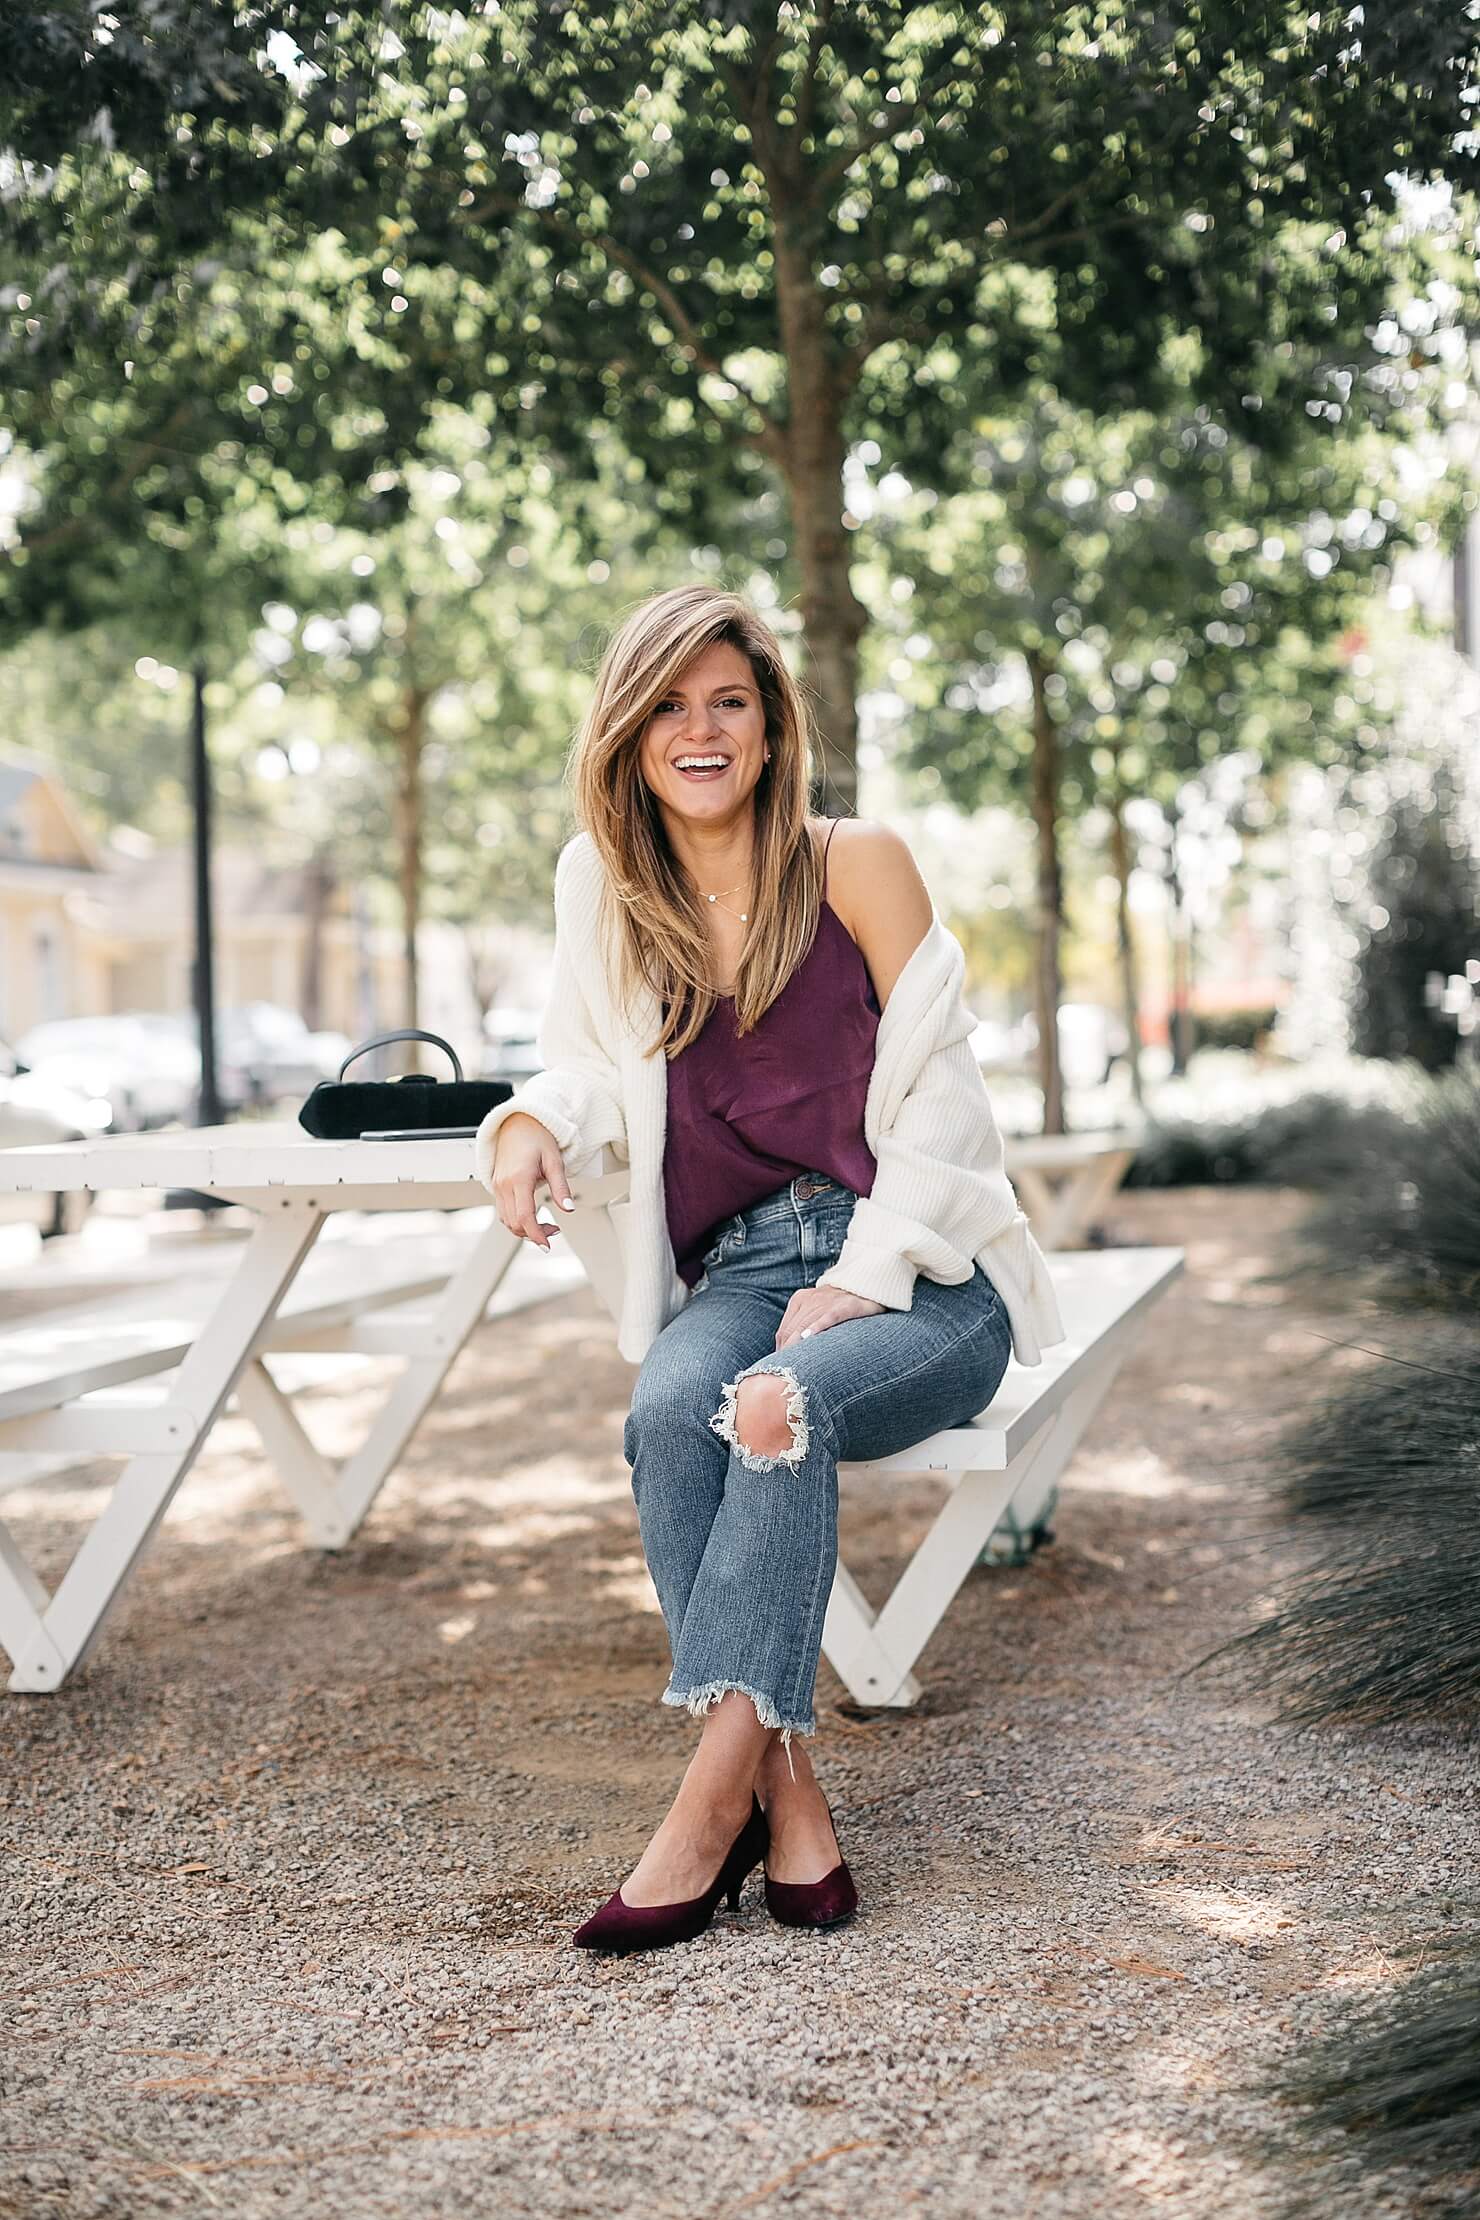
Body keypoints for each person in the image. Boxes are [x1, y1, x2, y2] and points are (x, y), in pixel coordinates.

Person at [475, 585, 1064, 1954]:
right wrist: (524, 1122)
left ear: (770, 721)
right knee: (668, 1412)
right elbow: (582, 1060)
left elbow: (947, 1107)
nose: (700, 729)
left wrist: (861, 1277)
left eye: (727, 700)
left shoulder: (857, 862)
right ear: (627, 734)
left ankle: (699, 1812)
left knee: (771, 1407)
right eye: (669, 705)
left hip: (922, 1271)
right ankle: (782, 1792)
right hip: (740, 1267)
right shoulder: (605, 885)